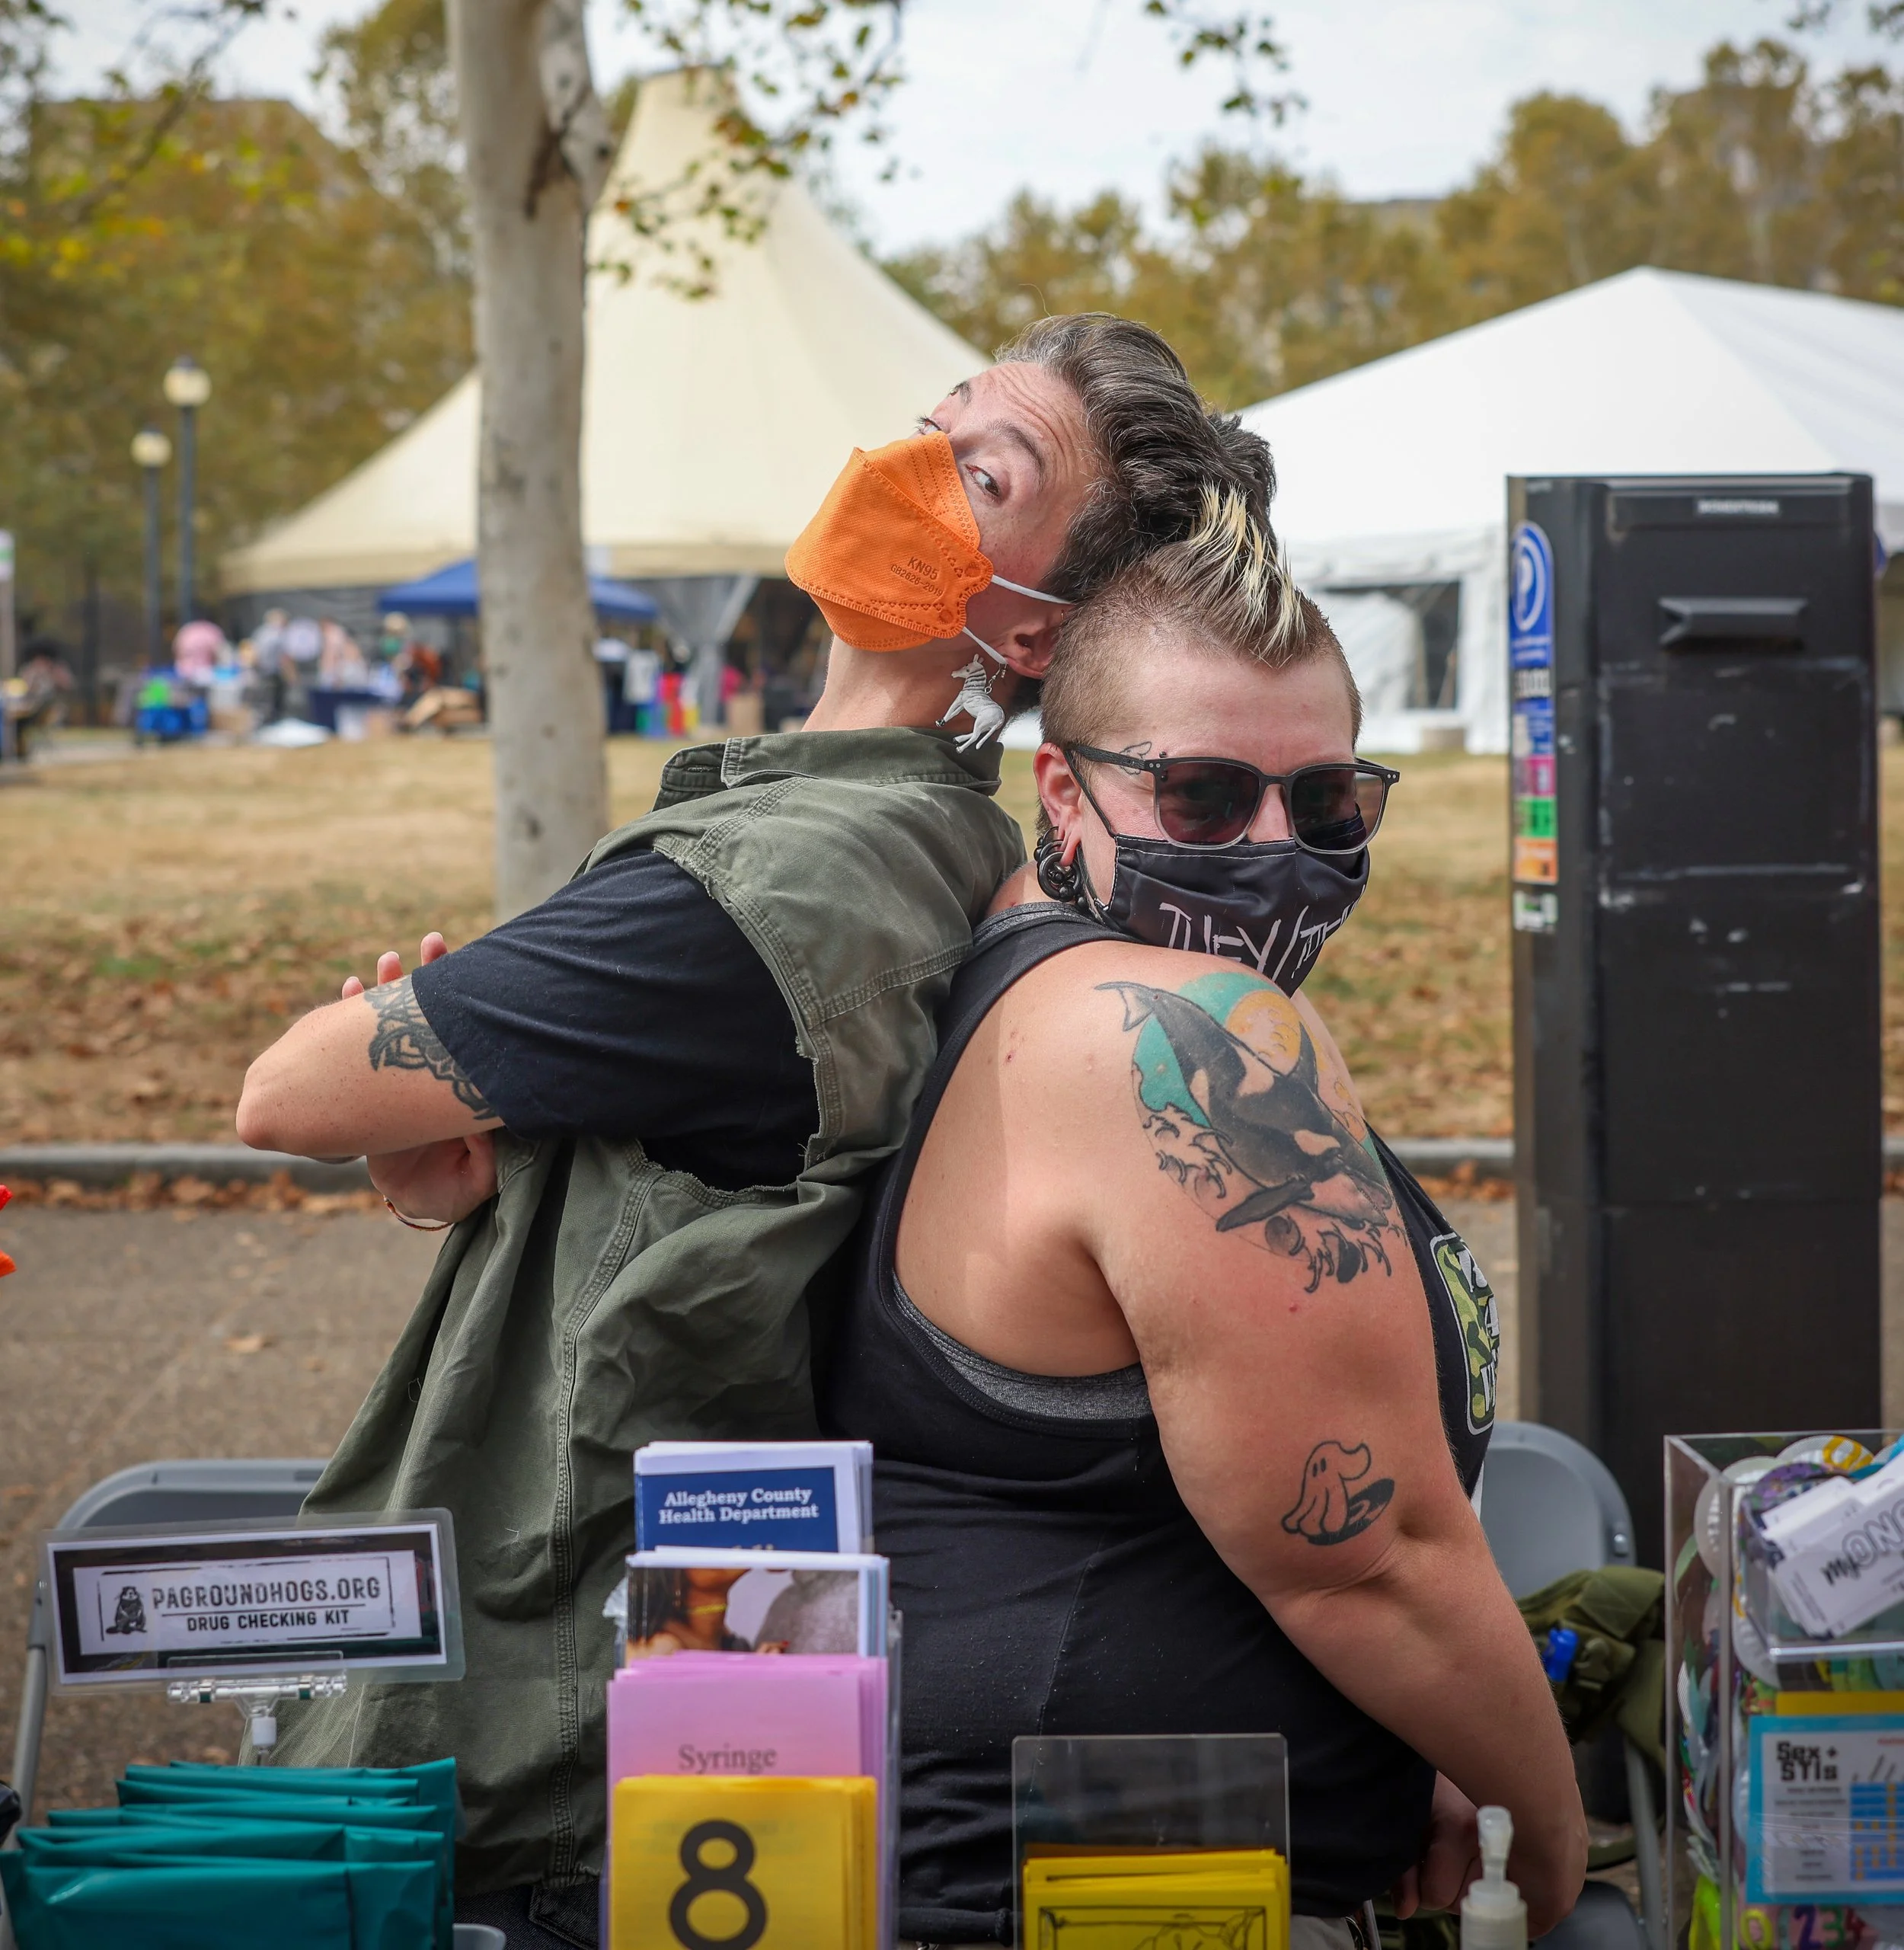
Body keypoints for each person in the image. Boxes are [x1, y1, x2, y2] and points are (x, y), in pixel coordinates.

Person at [235, 315, 1283, 1945]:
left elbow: (287, 1091)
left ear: (1025, 625)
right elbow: (721, 1180)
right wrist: (495, 1168)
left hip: (550, 1724)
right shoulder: (909, 840)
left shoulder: (778, 885)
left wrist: (409, 1083)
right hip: (676, 1677)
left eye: (978, 469)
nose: (902, 465)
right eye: (929, 421)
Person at [817, 496, 1588, 1948]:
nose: (1277, 844)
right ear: (1061, 794)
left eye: (1331, 801)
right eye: (1205, 799)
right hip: (1089, 1896)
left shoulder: (1075, 979)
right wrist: (1543, 1831)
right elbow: (1369, 1552)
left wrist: (1417, 1748)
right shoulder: (1168, 1017)